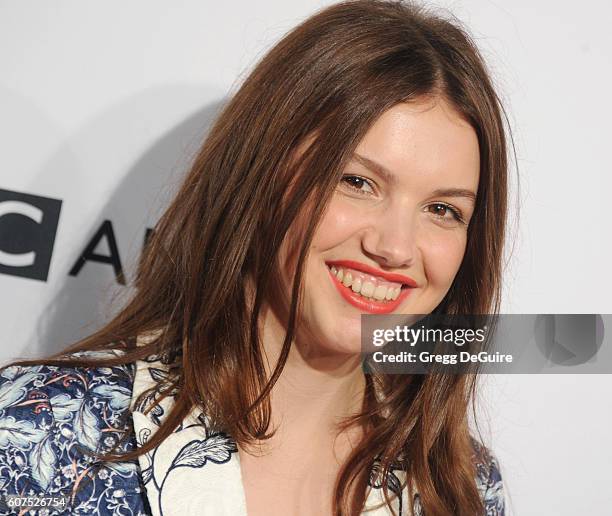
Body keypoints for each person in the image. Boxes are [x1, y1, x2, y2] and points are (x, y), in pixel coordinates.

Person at [0, 0, 510, 514]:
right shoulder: (43, 431)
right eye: (357, 182)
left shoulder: (463, 487)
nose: (395, 247)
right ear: (262, 174)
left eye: (443, 209)